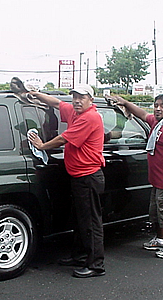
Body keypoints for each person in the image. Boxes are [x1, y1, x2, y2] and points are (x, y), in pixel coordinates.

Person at [28, 84, 106, 278]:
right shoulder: (75, 111)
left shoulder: (90, 117)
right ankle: (80, 257)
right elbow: (56, 103)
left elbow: (63, 138)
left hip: (88, 177)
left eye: (82, 97)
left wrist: (42, 145)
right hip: (79, 176)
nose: (77, 100)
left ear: (91, 100)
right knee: (80, 221)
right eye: (75, 97)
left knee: (90, 223)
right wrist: (37, 94)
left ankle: (96, 265)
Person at [112, 94, 163, 259]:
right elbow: (142, 114)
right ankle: (160, 239)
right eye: (156, 105)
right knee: (159, 212)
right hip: (158, 180)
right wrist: (125, 103)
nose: (158, 108)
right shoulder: (158, 123)